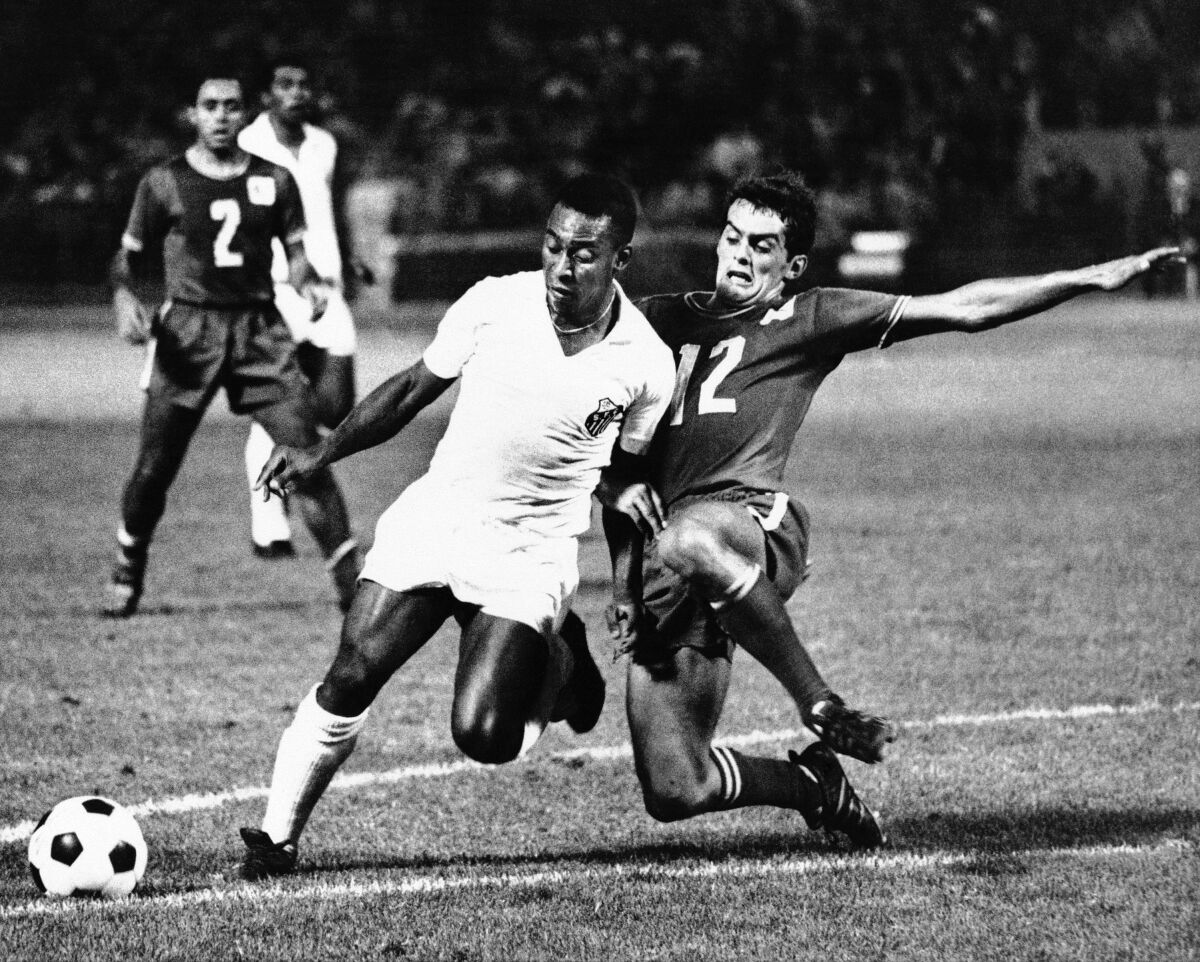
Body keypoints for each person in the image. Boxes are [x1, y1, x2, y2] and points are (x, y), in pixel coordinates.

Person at [600, 170, 1181, 849]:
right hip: (674, 556)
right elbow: (612, 458)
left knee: (688, 540)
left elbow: (967, 307)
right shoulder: (656, 319)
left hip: (749, 523)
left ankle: (817, 701)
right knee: (676, 786)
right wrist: (622, 588)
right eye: (732, 237)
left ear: (793, 267)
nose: (739, 255)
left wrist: (1090, 277)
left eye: (762, 246)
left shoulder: (812, 316)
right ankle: (817, 788)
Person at [235, 174, 680, 879]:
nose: (563, 267)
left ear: (620, 259)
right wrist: (321, 451)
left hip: (529, 552)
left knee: (485, 737)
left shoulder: (648, 364)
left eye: (585, 253)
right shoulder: (496, 301)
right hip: (440, 517)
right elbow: (412, 388)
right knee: (351, 672)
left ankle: (564, 660)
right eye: (553, 246)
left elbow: (627, 481)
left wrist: (626, 585)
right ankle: (277, 838)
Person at [104, 72, 360, 618]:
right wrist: (125, 294)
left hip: (258, 333)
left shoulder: (274, 179)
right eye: (210, 106)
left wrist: (307, 280)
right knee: (156, 465)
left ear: (247, 115)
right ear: (192, 115)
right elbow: (127, 256)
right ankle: (128, 564)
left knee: (307, 455)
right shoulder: (163, 182)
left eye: (231, 106)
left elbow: (295, 252)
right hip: (187, 333)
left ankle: (351, 587)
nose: (220, 115)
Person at [237, 55, 374, 558]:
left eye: (303, 83)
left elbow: (326, 206)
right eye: (284, 84)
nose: (296, 91)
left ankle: (274, 480)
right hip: (273, 288)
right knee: (282, 402)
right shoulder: (248, 144)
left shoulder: (324, 144)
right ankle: (268, 521)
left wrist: (349, 251)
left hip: (328, 288)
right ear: (267, 94)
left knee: (333, 407)